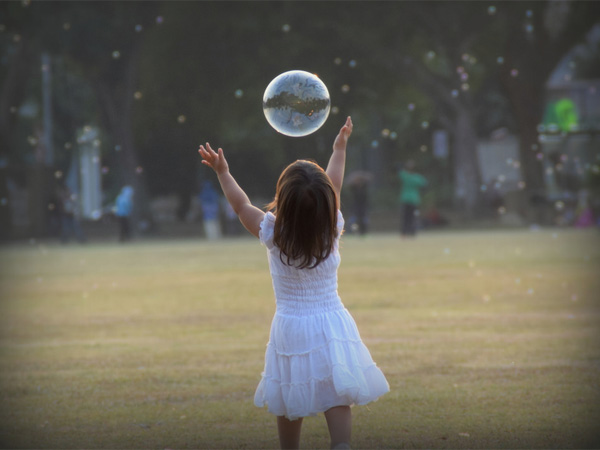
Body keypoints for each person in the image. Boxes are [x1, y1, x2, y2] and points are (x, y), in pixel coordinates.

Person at [198, 117, 389, 450]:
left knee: (290, 392)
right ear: (327, 202)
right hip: (332, 320)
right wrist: (339, 148)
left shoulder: (274, 232)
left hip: (290, 325)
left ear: (282, 200)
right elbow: (335, 183)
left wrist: (223, 172)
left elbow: (241, 205)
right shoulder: (331, 227)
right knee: (337, 390)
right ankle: (340, 444)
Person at [398, 160, 427, 237]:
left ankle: (404, 233)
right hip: (414, 200)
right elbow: (424, 184)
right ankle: (412, 232)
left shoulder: (405, 175)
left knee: (405, 217)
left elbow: (399, 171)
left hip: (406, 199)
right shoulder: (417, 177)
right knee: (413, 217)